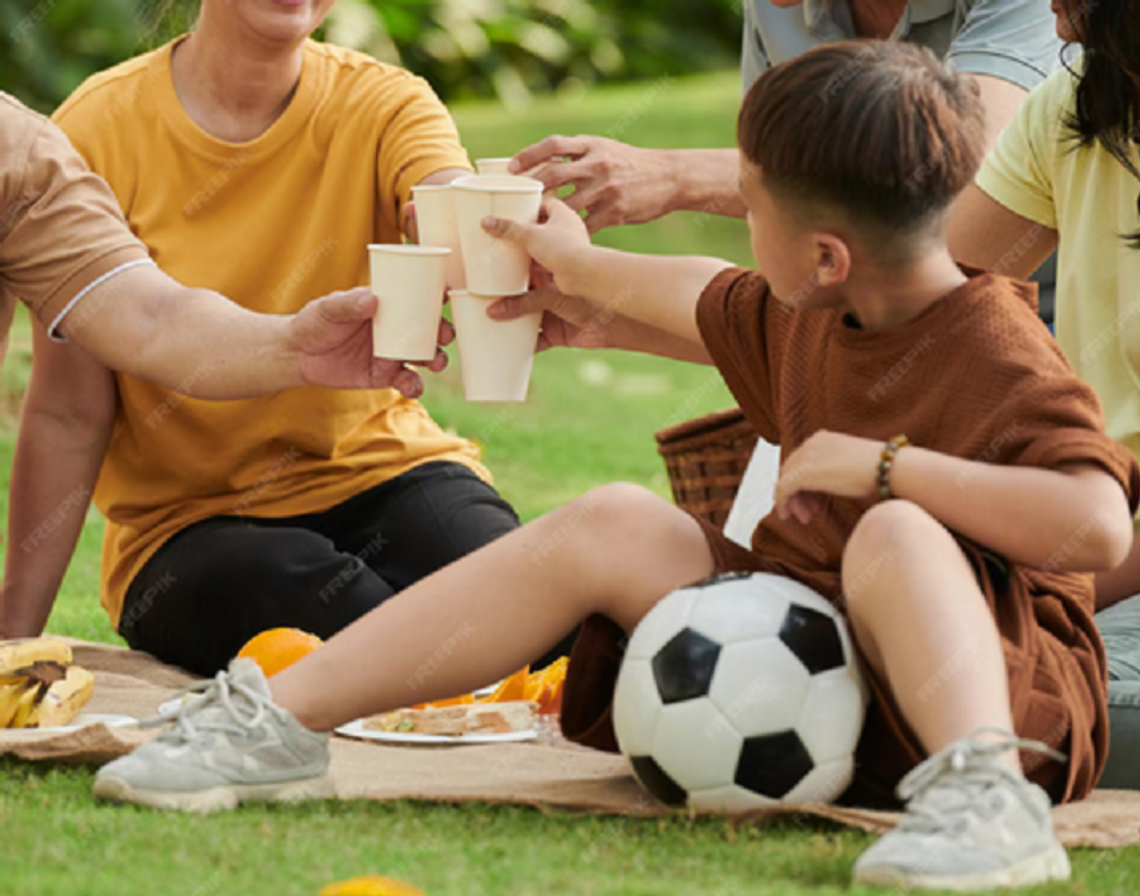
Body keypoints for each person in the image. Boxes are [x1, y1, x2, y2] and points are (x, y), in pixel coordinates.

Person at [94, 43, 1137, 892]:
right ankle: (276, 722)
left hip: (1000, 696)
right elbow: (698, 289)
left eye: (754, 207)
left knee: (896, 530)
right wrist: (577, 270)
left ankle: (988, 804)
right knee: (611, 519)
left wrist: (893, 471)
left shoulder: (996, 345)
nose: (741, 232)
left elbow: (1097, 526)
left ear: (824, 254)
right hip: (825, 664)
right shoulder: (826, 304)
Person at [0, 0, 526, 675]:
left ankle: (459, 680)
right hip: (188, 527)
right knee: (315, 596)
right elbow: (70, 411)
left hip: (383, 470)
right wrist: (14, 635)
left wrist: (482, 228)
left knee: (511, 589)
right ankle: (451, 682)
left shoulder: (387, 102)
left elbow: (444, 194)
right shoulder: (93, 128)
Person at [946, 0, 1140, 788]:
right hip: (1093, 542)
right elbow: (929, 309)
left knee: (1040, 711)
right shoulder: (1077, 105)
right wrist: (595, 299)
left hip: (1104, 559)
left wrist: (1030, 603)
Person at [0, 91, 446, 399]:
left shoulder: (17, 150)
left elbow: (150, 321)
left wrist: (293, 345)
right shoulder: (95, 116)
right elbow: (65, 410)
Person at [510, 0, 1060, 233]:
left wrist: (679, 176)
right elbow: (786, 212)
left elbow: (956, 172)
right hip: (881, 316)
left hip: (1065, 320)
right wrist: (580, 285)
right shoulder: (781, 6)